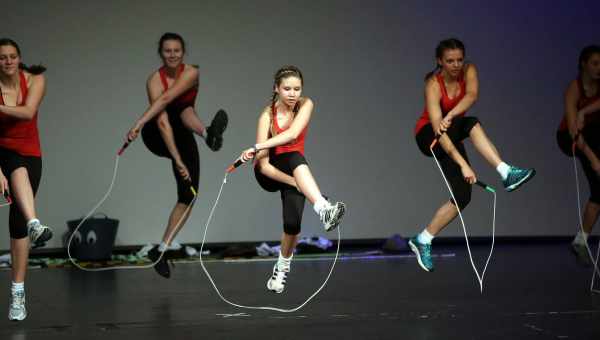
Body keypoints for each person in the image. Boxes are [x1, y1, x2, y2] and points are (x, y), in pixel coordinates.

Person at [409, 38, 535, 272]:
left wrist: (451, 115)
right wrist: (463, 165)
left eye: (459, 59)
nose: (456, 65)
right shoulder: (433, 84)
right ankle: (505, 171)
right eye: (450, 61)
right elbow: (440, 131)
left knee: (463, 196)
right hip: (429, 135)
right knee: (471, 124)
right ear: (440, 61)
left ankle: (423, 239)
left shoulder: (469, 70)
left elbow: (472, 96)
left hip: (450, 128)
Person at [126, 32, 228, 278]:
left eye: (177, 51)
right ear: (161, 53)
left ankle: (162, 249)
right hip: (155, 133)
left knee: (189, 194)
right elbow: (161, 119)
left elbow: (175, 99)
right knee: (172, 108)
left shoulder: (192, 72)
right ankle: (207, 134)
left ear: (183, 53)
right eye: (167, 51)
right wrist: (177, 159)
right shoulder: (154, 80)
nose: (172, 55)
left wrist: (138, 122)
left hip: (182, 130)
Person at [238, 65, 345, 293]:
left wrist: (258, 145)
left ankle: (281, 270)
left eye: (297, 88)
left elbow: (293, 134)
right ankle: (324, 208)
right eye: (287, 89)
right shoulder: (266, 116)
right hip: (268, 173)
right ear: (277, 89)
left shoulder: (306, 104)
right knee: (294, 156)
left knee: (292, 224)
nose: (292, 93)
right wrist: (295, 183)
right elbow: (264, 166)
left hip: (295, 169)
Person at [0, 38, 53, 321]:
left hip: (31, 152)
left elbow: (27, 112)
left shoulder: (35, 80)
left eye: (12, 56)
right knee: (14, 166)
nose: (7, 61)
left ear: (19, 58)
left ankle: (17, 292)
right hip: (2, 152)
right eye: (2, 57)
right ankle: (36, 223)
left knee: (16, 223)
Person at [556, 45, 600, 265]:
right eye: (595, 63)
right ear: (584, 64)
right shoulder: (574, 88)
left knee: (599, 192)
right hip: (571, 138)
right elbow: (574, 129)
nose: (599, 68)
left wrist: (585, 111)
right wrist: (594, 160)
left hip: (593, 136)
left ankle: (580, 241)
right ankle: (580, 242)